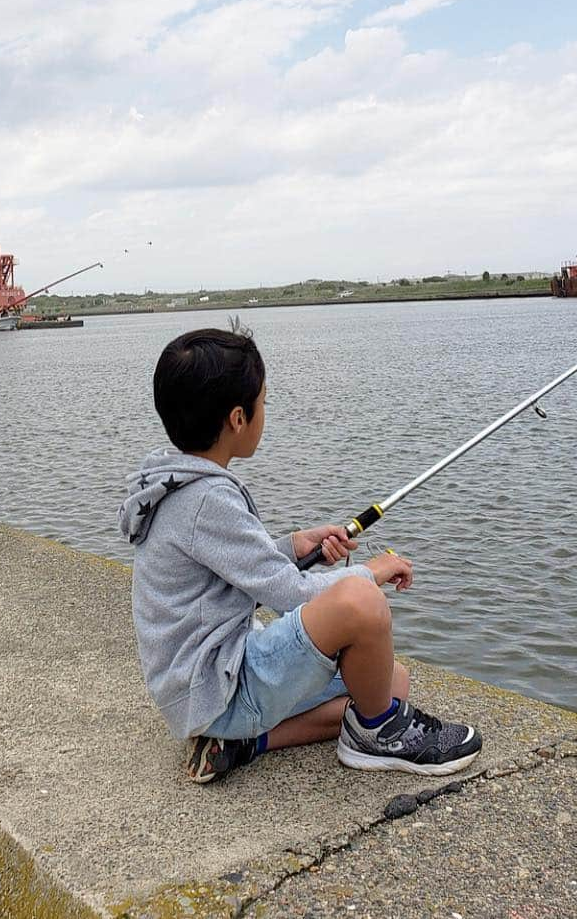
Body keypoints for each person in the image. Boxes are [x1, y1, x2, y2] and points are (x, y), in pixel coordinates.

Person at [118, 326, 482, 784]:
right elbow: (291, 595)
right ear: (237, 419)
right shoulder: (208, 498)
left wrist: (294, 545)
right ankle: (378, 739)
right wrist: (370, 572)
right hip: (216, 686)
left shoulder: (174, 482)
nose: (264, 412)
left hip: (198, 690)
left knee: (387, 684)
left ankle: (244, 743)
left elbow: (231, 566)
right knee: (361, 603)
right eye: (263, 402)